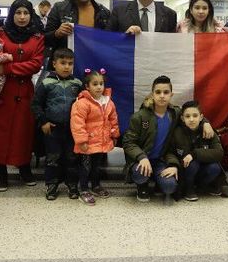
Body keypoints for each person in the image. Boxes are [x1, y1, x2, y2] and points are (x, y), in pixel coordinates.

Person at [0, 0, 44, 192]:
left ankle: (24, 168)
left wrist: (6, 68)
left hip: (24, 92)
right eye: (18, 13)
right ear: (11, 14)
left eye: (26, 13)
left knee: (23, 132)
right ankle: (1, 172)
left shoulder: (37, 37)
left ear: (31, 15)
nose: (22, 17)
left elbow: (36, 63)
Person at [123, 75, 214, 205]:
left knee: (169, 187)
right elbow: (128, 142)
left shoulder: (175, 113)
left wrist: (205, 122)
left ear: (171, 94)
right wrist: (142, 157)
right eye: (158, 92)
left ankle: (158, 181)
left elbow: (190, 115)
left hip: (161, 160)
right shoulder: (139, 116)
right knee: (140, 174)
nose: (162, 96)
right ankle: (142, 185)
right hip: (142, 160)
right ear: (152, 94)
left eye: (166, 92)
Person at [31, 48, 83, 201]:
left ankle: (72, 184)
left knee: (72, 158)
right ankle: (52, 184)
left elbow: (84, 105)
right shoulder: (46, 83)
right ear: (54, 64)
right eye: (63, 63)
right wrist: (43, 121)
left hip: (72, 129)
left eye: (70, 63)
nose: (67, 67)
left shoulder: (78, 83)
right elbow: (36, 105)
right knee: (53, 158)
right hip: (52, 128)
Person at [70, 68, 120, 205]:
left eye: (101, 84)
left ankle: (96, 185)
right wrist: (82, 141)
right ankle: (84, 189)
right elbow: (77, 123)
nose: (99, 87)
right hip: (87, 144)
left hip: (102, 142)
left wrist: (114, 134)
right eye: (95, 84)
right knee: (85, 167)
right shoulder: (82, 103)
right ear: (87, 86)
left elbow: (113, 119)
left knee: (97, 166)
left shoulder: (108, 102)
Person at [45, 0, 110, 64]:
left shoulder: (103, 12)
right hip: (66, 65)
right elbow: (45, 39)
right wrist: (57, 33)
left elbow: (110, 39)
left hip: (93, 63)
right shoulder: (59, 8)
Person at [171, 100, 223, 201]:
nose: (191, 119)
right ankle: (189, 188)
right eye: (187, 116)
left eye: (195, 116)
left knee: (215, 168)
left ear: (201, 117)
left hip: (203, 168)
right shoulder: (177, 133)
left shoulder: (208, 131)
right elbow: (171, 152)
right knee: (192, 164)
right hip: (185, 170)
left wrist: (194, 154)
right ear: (182, 118)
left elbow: (219, 153)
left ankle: (201, 187)